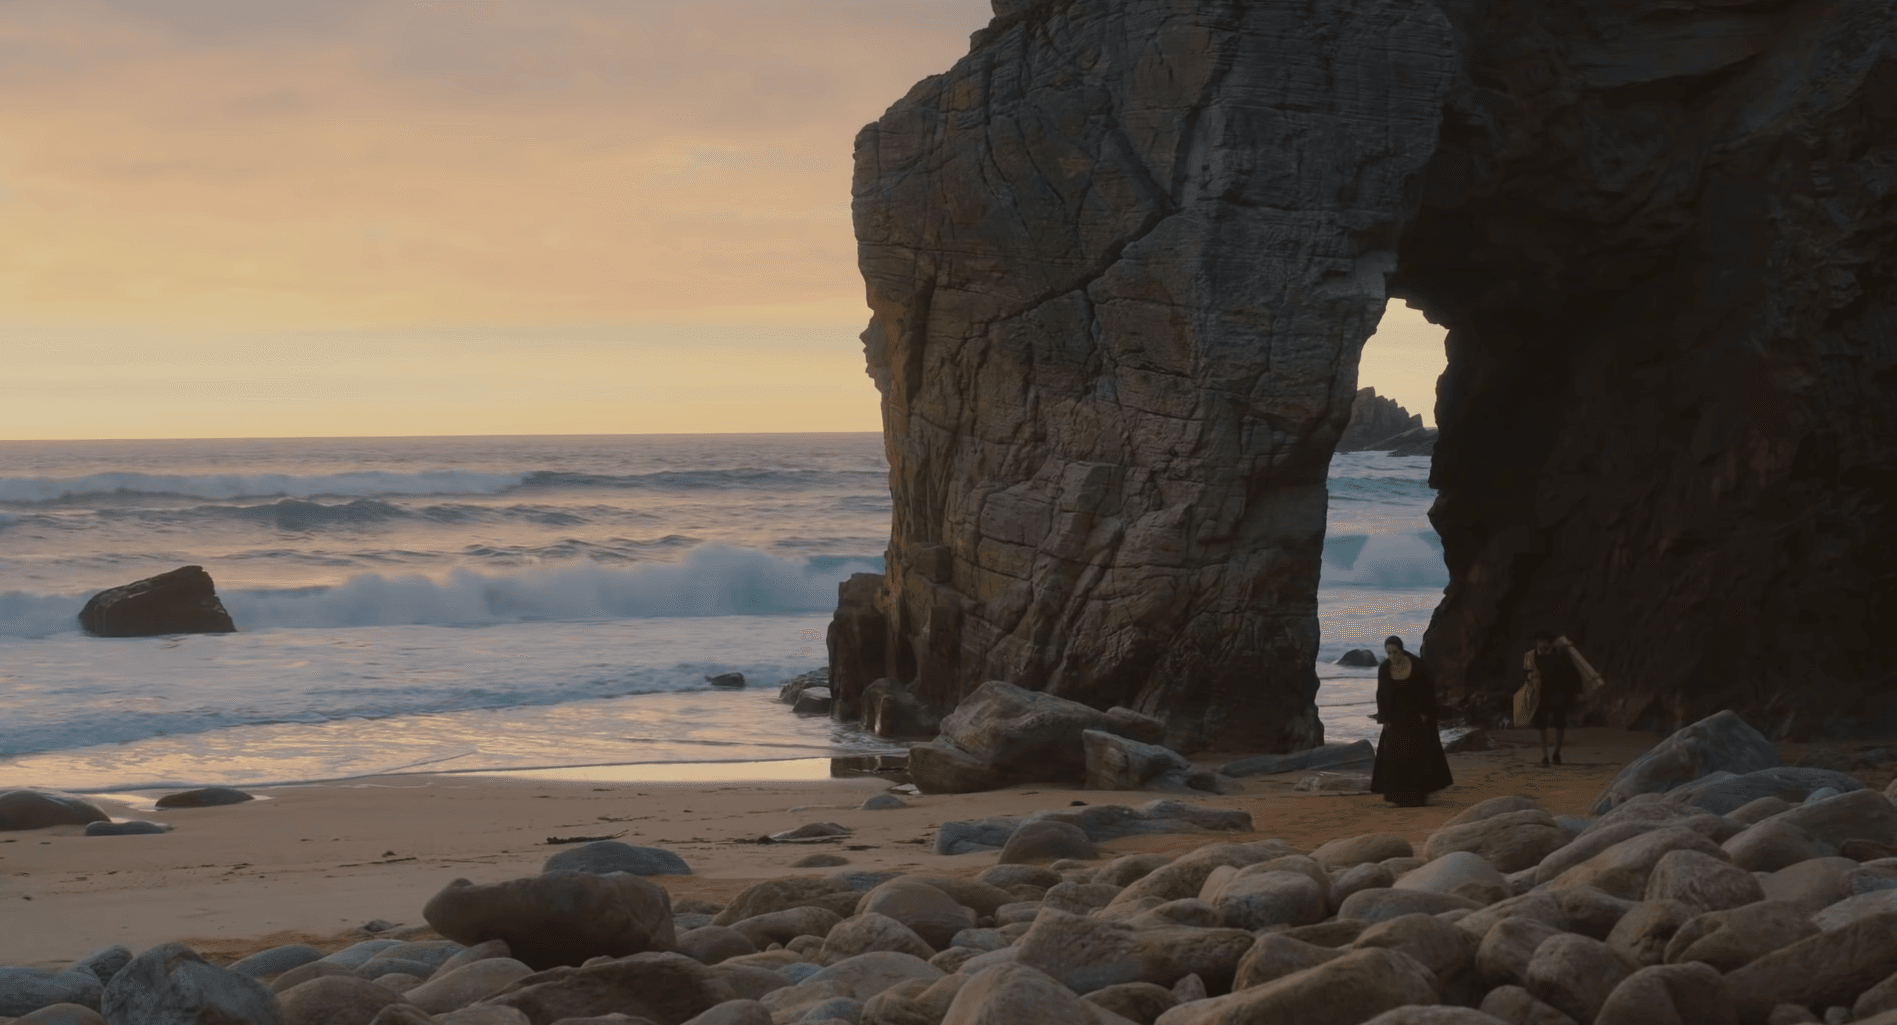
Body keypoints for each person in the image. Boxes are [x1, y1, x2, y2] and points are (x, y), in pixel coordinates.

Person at [1369, 635, 1453, 807]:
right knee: (1394, 755)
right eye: (1389, 653)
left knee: (1417, 755)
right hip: (1395, 717)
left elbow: (1428, 690)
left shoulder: (1417, 665)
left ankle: (1418, 795)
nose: (1392, 656)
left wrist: (1425, 714)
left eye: (1395, 652)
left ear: (1402, 649)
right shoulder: (1385, 668)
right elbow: (1381, 694)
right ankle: (1398, 797)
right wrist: (1384, 718)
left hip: (1417, 716)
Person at [1528, 631, 1585, 767]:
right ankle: (1544, 756)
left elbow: (1572, 672)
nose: (1540, 643)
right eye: (1538, 641)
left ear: (1549, 642)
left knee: (1560, 723)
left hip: (1559, 692)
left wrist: (1578, 691)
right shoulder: (1532, 655)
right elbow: (1526, 675)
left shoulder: (1560, 654)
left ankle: (1557, 752)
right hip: (1541, 693)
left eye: (1542, 640)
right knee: (1541, 724)